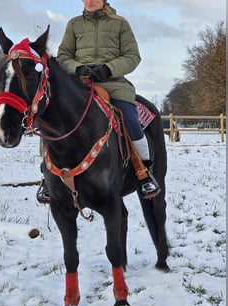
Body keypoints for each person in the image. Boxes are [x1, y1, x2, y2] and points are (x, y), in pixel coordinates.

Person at [36, 0, 160, 203]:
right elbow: (64, 55)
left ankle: (144, 172)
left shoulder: (120, 23)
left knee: (129, 119)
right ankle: (47, 176)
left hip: (113, 84)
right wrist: (78, 68)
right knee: (52, 120)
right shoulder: (74, 24)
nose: (90, 1)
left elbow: (132, 56)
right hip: (79, 85)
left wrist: (108, 69)